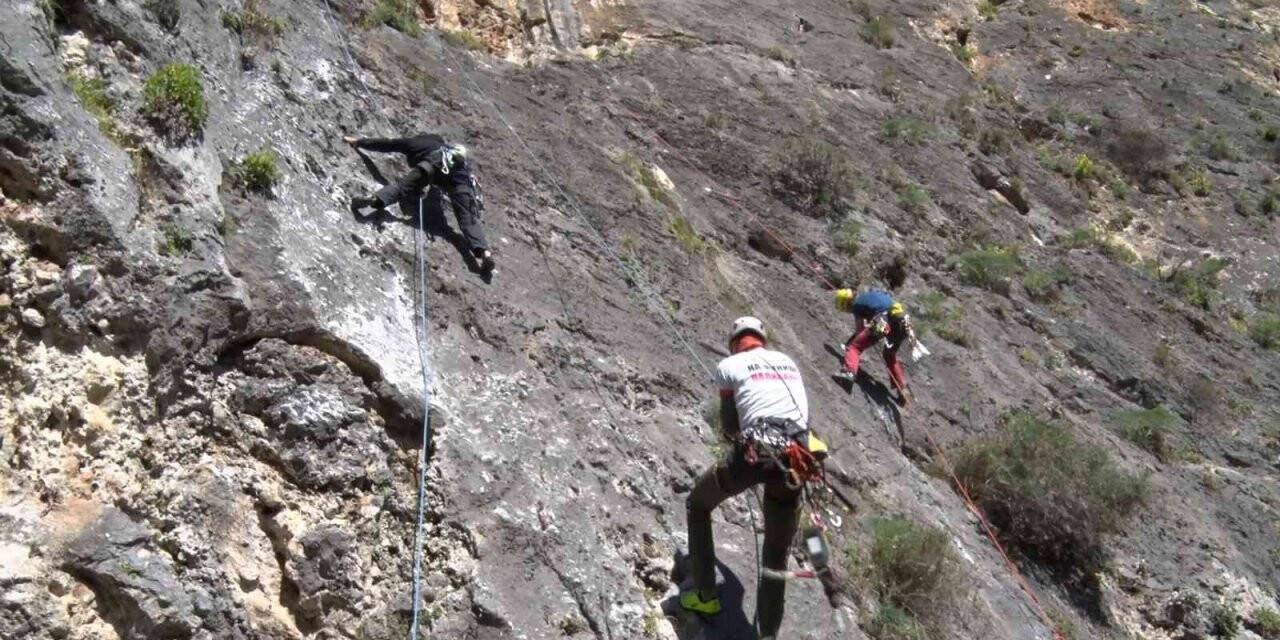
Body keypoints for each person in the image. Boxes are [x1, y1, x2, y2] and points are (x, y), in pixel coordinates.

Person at [682, 316, 817, 639]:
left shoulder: (730, 365)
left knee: (698, 505)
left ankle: (705, 598)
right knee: (775, 554)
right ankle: (768, 635)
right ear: (762, 340)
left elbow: (730, 428)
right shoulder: (787, 362)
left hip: (754, 454)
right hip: (794, 459)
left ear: (734, 342)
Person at [343, 132, 495, 272]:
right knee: (468, 220)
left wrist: (359, 142)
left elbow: (388, 144)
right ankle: (485, 253)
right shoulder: (458, 159)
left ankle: (375, 199)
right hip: (461, 184)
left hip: (430, 167)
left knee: (401, 188)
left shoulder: (417, 143)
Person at [834, 288, 916, 405]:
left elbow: (860, 330)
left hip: (883, 322)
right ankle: (903, 388)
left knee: (855, 347)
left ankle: (848, 373)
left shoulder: (857, 305)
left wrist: (849, 343)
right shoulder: (870, 296)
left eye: (845, 308)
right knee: (889, 356)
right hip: (903, 323)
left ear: (846, 303)